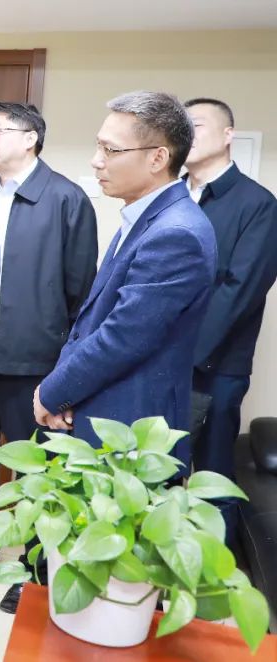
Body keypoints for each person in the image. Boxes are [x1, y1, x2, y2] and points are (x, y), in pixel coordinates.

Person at [0, 101, 99, 614]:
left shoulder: (65, 199)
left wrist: (67, 372)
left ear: (30, 138)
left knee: (38, 468)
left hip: (35, 357)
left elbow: (82, 294)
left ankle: (36, 572)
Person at [35, 91, 217, 460]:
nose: (96, 160)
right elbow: (92, 321)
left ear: (158, 158)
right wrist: (65, 389)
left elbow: (123, 337)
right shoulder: (146, 217)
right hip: (101, 408)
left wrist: (52, 392)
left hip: (130, 427)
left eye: (111, 150)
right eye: (98, 146)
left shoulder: (175, 232)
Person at [183, 97, 277, 543]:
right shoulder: (168, 196)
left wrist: (184, 354)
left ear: (227, 135)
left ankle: (215, 571)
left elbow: (240, 289)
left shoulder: (257, 204)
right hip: (159, 363)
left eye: (197, 125)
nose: (187, 133)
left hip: (217, 366)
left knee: (213, 476)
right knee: (155, 470)